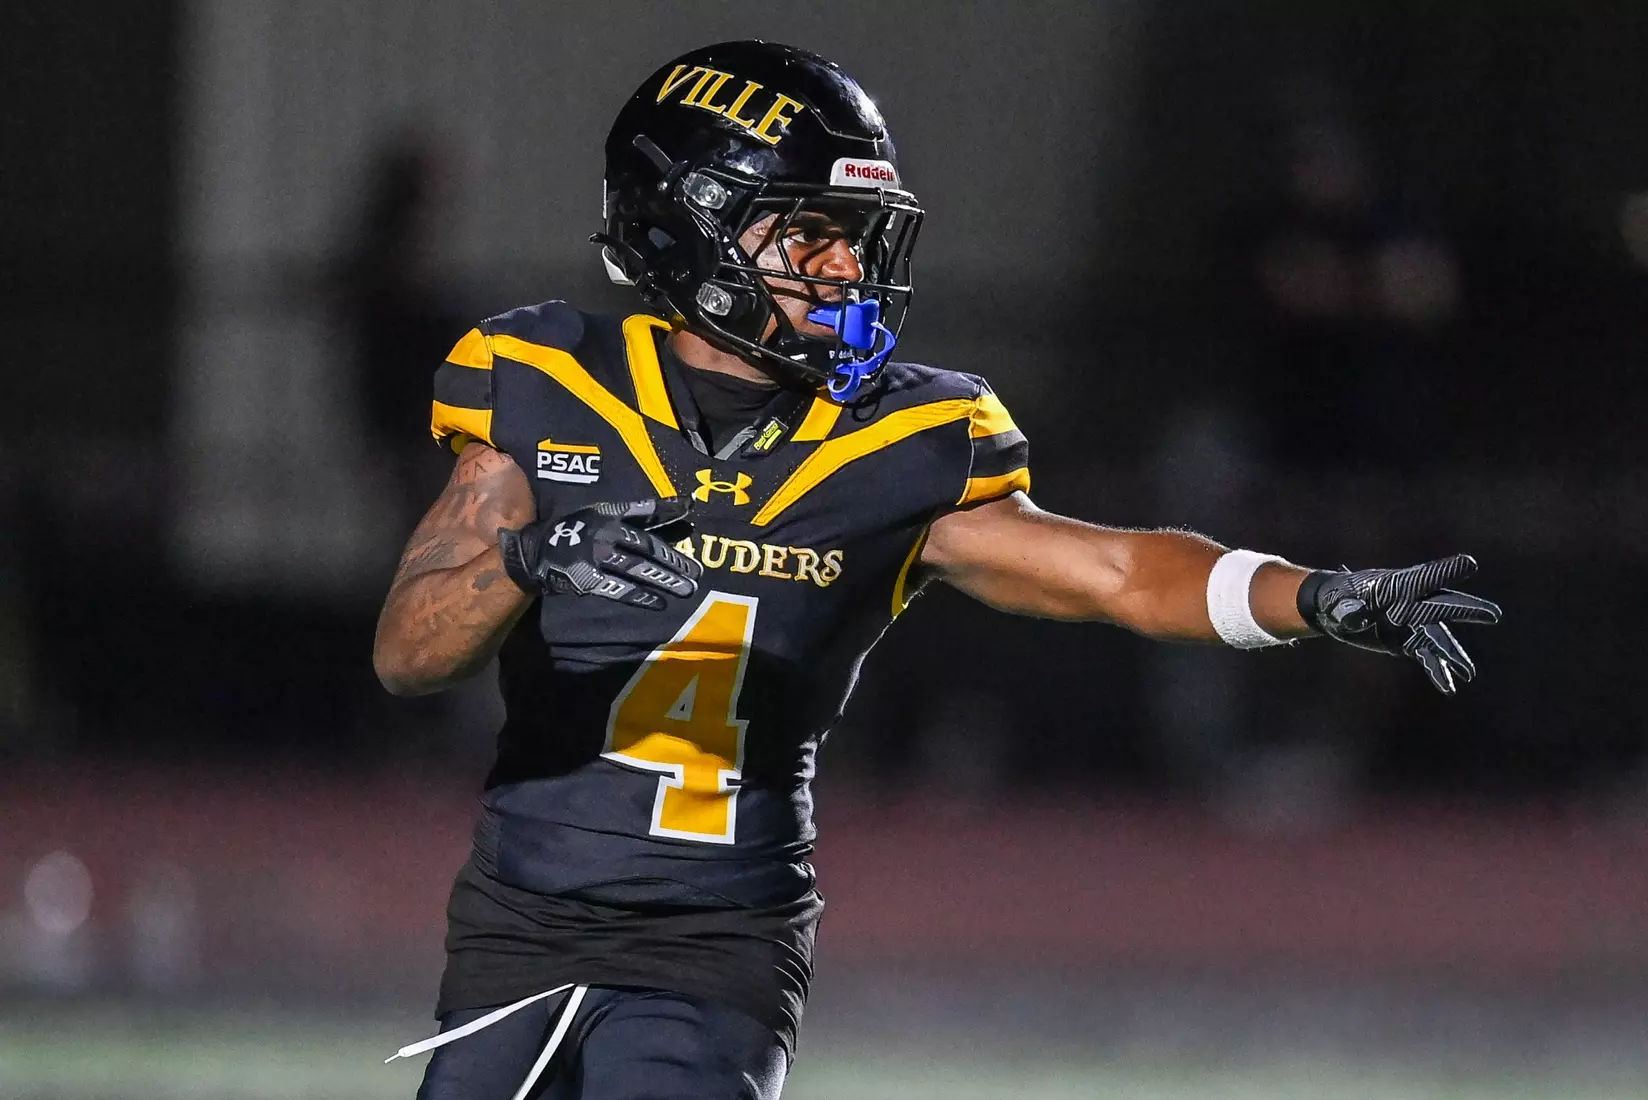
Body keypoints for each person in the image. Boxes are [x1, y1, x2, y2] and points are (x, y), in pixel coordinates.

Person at [372, 40, 1500, 1100]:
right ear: (691, 224)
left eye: (854, 232)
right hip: (519, 916)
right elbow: (407, 654)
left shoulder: (899, 437)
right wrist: (529, 558)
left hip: (716, 935)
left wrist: (1311, 595)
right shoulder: (539, 380)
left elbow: (1114, 570)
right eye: (807, 230)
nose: (844, 264)